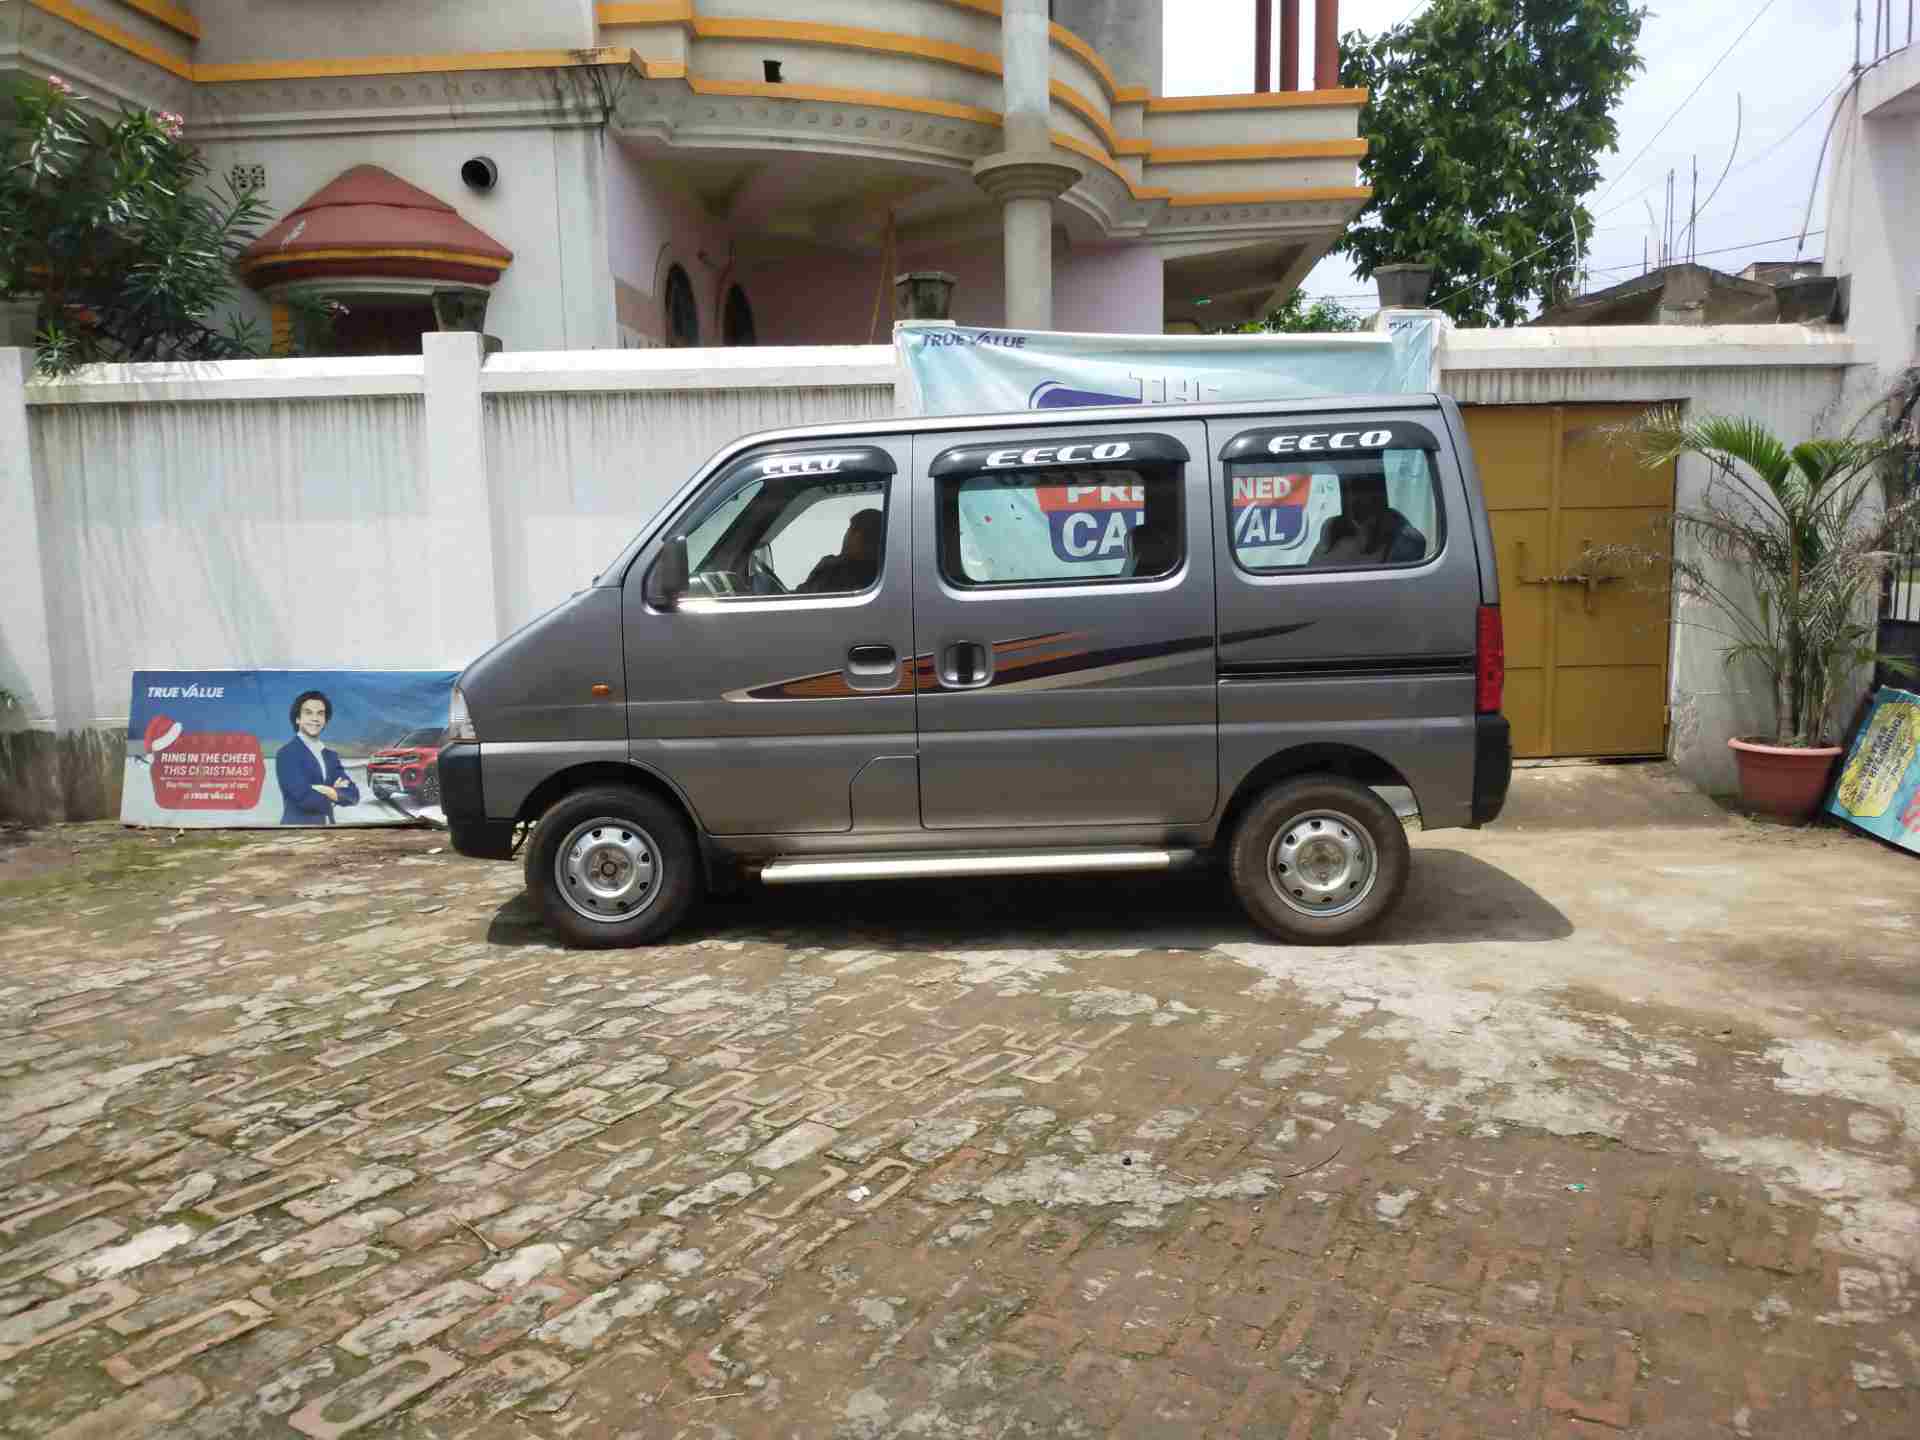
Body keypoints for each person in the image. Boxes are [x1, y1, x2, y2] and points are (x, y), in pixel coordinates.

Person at [276, 689, 360, 825]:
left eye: (320, 713)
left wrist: (325, 790)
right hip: (296, 832)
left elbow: (353, 795)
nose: (315, 718)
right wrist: (335, 792)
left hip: (329, 831)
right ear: (297, 719)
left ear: (325, 720)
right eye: (308, 712)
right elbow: (304, 798)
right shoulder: (287, 753)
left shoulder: (331, 756)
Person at [1309, 472, 1428, 567]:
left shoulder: (1402, 542)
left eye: (1360, 490)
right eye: (1347, 491)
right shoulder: (1331, 538)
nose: (1353, 499)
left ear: (1377, 496)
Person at [799, 509, 884, 593]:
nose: (847, 535)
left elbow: (803, 594)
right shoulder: (881, 576)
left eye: (850, 529)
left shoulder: (836, 571)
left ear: (857, 536)